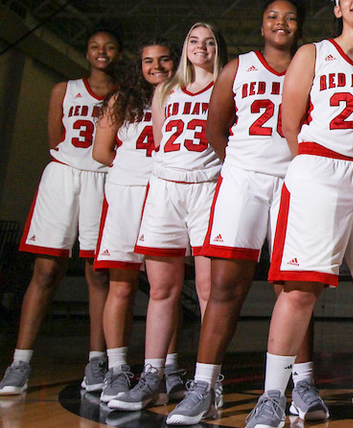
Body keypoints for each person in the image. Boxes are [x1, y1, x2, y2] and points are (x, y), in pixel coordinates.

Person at [244, 0, 353, 428]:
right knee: (299, 288)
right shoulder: (314, 53)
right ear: (337, 9)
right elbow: (290, 124)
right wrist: (313, 169)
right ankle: (272, 395)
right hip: (319, 169)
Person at [161, 0, 312, 426]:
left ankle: (301, 385)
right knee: (225, 288)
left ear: (298, 27)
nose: (280, 23)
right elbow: (214, 128)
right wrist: (241, 163)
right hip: (243, 180)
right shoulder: (237, 66)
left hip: (294, 180)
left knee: (294, 289)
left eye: (289, 18)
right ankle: (204, 387)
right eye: (272, 17)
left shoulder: (312, 64)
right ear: (261, 24)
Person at [0, 25, 120, 397]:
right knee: (46, 270)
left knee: (99, 274)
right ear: (86, 51)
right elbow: (54, 140)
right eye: (95, 46)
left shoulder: (123, 94)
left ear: (118, 53)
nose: (101, 52)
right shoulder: (63, 90)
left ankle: (97, 361)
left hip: (102, 178)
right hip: (63, 176)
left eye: (109, 47)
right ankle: (19, 363)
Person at [108, 22, 226, 415]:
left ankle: (209, 382)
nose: (201, 47)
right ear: (186, 47)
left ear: (217, 48)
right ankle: (152, 377)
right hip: (165, 187)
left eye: (209, 42)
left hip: (208, 187)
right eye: (194, 40)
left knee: (209, 290)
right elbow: (160, 139)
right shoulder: (166, 90)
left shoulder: (226, 86)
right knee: (161, 289)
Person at [91, 39, 189, 403]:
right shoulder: (120, 100)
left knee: (166, 288)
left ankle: (167, 368)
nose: (157, 66)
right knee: (122, 284)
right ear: (139, 66)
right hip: (127, 193)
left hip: (167, 192)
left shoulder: (185, 95)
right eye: (148, 60)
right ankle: (117, 370)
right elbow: (101, 151)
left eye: (164, 59)